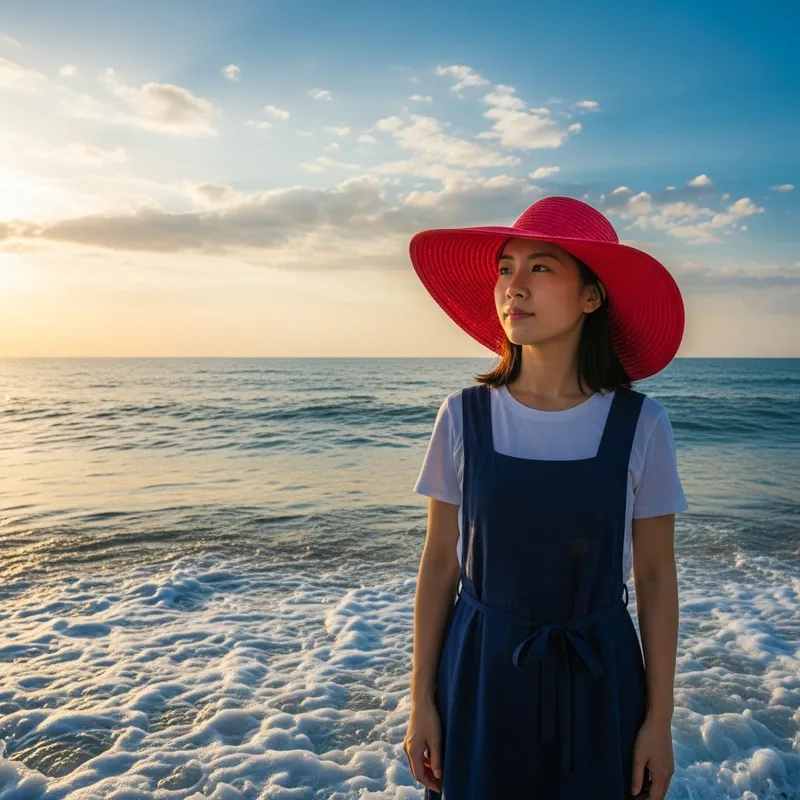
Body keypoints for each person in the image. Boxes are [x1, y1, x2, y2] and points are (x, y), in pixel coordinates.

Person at [403, 196, 688, 799]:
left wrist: (658, 721)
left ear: (591, 296)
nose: (514, 286)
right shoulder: (462, 417)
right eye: (506, 268)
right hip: (480, 674)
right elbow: (439, 563)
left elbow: (658, 577)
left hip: (600, 676)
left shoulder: (642, 424)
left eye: (540, 267)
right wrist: (420, 700)